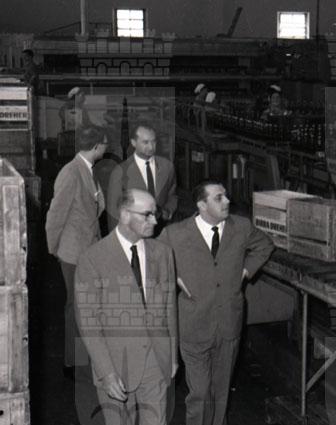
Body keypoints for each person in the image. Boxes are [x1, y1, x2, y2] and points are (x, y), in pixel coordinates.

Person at [158, 181, 274, 425]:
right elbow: (153, 260)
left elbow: (265, 245)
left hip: (229, 322)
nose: (227, 201)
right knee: (200, 393)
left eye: (226, 196)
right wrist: (175, 278)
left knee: (221, 392)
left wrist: (245, 271)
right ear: (202, 205)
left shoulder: (241, 227)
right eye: (219, 198)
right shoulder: (175, 234)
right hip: (194, 325)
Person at [75, 189, 177, 425]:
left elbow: (170, 308)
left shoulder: (163, 253)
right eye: (147, 215)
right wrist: (106, 372)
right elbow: (89, 324)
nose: (155, 221)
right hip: (116, 364)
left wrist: (172, 355)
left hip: (156, 360)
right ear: (124, 215)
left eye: (155, 214)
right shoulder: (92, 259)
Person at [45, 126, 108, 377]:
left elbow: (94, 208)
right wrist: (55, 248)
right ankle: (73, 362)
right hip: (73, 252)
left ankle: (84, 358)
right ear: (96, 146)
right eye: (104, 144)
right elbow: (55, 215)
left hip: (88, 249)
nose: (106, 148)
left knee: (87, 305)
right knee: (76, 307)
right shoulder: (71, 172)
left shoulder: (88, 169)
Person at [107, 124, 177, 232]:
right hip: (134, 233)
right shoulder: (120, 172)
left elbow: (172, 195)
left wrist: (168, 211)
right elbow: (113, 211)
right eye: (145, 142)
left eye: (153, 142)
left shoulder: (167, 166)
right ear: (133, 143)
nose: (151, 147)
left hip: (162, 232)